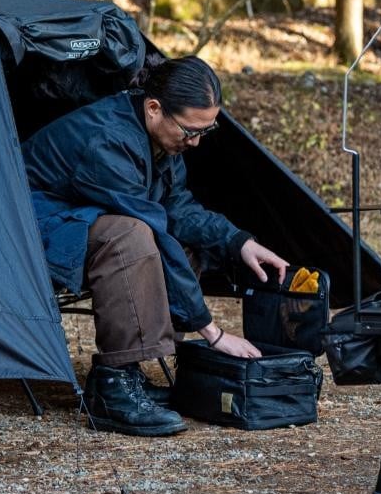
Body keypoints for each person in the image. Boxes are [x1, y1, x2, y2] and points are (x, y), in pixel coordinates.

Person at [21, 56, 289, 436]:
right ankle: (113, 385)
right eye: (190, 130)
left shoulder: (160, 140)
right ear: (153, 108)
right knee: (130, 236)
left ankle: (132, 369)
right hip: (30, 234)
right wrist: (212, 331)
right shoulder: (108, 141)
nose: (196, 142)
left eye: (206, 130)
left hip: (77, 222)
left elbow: (177, 209)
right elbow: (155, 230)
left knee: (176, 242)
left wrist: (238, 241)